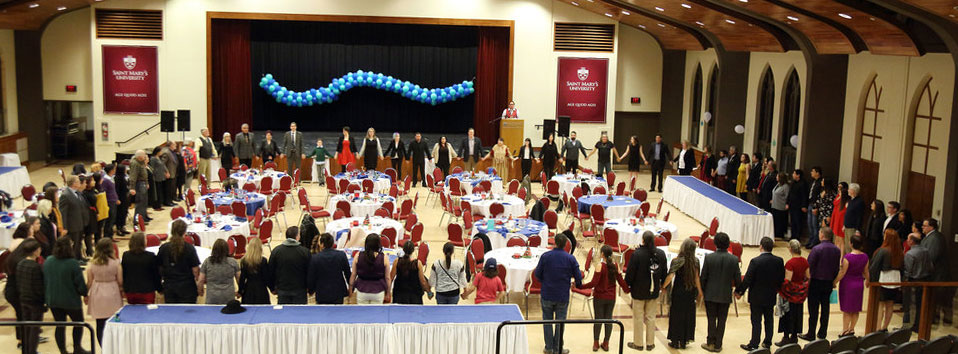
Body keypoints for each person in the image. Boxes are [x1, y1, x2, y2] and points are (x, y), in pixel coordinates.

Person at [533, 233, 581, 353]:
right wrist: (576, 283)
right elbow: (578, 278)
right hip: (562, 296)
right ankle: (558, 348)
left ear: (554, 242)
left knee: (547, 322)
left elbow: (537, 274)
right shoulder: (570, 259)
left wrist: (545, 281)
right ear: (565, 244)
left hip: (547, 294)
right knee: (560, 323)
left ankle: (549, 348)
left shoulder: (545, 256)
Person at [736, 237, 785, 351]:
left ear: (761, 246)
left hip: (756, 296)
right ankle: (767, 342)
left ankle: (754, 343)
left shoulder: (755, 261)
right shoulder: (779, 261)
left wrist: (740, 292)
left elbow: (748, 279)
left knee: (756, 320)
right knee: (769, 319)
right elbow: (780, 278)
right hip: (770, 295)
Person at [44, 237, 90, 354]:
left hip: (53, 299)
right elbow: (79, 283)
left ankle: (63, 350)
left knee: (60, 325)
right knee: (78, 323)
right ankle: (77, 347)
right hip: (70, 300)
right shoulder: (72, 263)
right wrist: (85, 294)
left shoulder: (48, 261)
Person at [624, 231, 667, 351]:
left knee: (638, 318)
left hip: (638, 291)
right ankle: (650, 343)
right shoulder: (661, 254)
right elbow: (664, 272)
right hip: (653, 291)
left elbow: (630, 274)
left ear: (643, 240)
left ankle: (638, 343)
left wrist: (626, 284)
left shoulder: (637, 254)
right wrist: (663, 285)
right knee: (651, 317)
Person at [699, 232, 742, 352]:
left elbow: (703, 277)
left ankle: (710, 342)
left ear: (715, 243)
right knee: (722, 320)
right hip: (725, 294)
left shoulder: (709, 257)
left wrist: (701, 290)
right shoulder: (734, 259)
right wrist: (739, 292)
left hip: (710, 294)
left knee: (711, 319)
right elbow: (738, 279)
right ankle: (718, 344)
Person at [799, 226, 842, 341]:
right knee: (825, 309)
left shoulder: (817, 249)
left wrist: (805, 280)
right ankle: (822, 333)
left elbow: (809, 266)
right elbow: (836, 267)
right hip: (828, 282)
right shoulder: (837, 250)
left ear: (822, 235)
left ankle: (811, 333)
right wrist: (833, 280)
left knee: (813, 309)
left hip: (815, 282)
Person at [663, 239, 702, 349]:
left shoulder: (677, 261)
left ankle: (675, 340)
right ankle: (684, 340)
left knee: (676, 315)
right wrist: (700, 292)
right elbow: (697, 278)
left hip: (678, 292)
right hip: (690, 292)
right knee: (688, 316)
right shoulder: (696, 261)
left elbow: (670, 276)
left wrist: (663, 287)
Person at [86, 238, 123, 345]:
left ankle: (103, 346)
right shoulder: (116, 263)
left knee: (100, 323)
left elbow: (89, 282)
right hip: (112, 291)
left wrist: (86, 295)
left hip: (97, 292)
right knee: (114, 321)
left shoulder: (92, 264)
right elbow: (120, 281)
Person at [157, 220, 201, 303]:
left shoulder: (164, 248)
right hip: (187, 287)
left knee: (172, 313)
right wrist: (198, 284)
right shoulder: (189, 248)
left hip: (169, 286)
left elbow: (159, 268)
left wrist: (159, 285)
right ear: (185, 232)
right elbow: (195, 270)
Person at [834, 234, 869, 337]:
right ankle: (851, 329)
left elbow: (843, 272)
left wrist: (834, 282)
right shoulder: (865, 256)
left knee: (847, 309)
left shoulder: (847, 257)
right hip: (859, 284)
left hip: (848, 284)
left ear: (851, 244)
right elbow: (866, 271)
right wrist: (868, 281)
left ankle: (845, 330)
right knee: (855, 309)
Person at [869, 229, 903, 331]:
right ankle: (885, 327)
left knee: (881, 305)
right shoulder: (899, 251)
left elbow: (874, 267)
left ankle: (878, 327)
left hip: (884, 278)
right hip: (896, 279)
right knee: (890, 304)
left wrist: (871, 280)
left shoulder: (883, 251)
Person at [15, 239, 46, 354]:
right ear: (35, 251)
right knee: (34, 328)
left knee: (26, 326)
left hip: (23, 299)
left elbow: (18, 283)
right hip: (34, 301)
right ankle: (32, 350)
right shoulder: (35, 267)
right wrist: (43, 300)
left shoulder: (20, 263)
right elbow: (39, 287)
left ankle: (26, 350)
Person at [777, 240, 810, 346]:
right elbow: (808, 277)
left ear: (790, 249)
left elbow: (787, 281)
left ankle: (786, 337)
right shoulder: (805, 261)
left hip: (790, 295)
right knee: (797, 314)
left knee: (788, 315)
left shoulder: (790, 263)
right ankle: (794, 336)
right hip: (800, 294)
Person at [921, 218, 953, 325]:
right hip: (933, 273)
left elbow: (932, 256)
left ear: (931, 227)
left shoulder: (935, 238)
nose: (922, 227)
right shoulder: (930, 237)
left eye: (924, 226)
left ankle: (934, 318)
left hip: (937, 274)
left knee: (937, 298)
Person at [268, 226, 310, 304]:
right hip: (300, 290)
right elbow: (310, 271)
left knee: (284, 315)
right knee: (300, 314)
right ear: (297, 236)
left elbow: (270, 271)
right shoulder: (305, 252)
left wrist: (272, 288)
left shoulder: (276, 251)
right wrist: (310, 287)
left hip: (282, 290)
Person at [305, 233, 350, 304]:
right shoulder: (341, 255)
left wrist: (311, 290)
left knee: (323, 314)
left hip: (322, 293)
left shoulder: (315, 258)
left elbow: (311, 277)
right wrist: (351, 288)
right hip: (338, 292)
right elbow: (348, 273)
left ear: (322, 244)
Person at [349, 234, 392, 304]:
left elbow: (353, 275)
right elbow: (387, 278)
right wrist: (388, 292)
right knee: (377, 314)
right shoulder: (384, 258)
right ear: (378, 244)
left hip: (362, 291)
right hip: (378, 291)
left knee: (363, 313)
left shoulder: (358, 255)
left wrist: (350, 289)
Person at [121, 232, 161, 305]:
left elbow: (124, 274)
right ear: (143, 242)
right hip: (147, 292)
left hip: (131, 291)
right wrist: (159, 289)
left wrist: (124, 289)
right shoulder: (151, 256)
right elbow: (156, 275)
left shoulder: (126, 255)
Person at [903, 233, 932, 331]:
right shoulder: (926, 251)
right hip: (926, 279)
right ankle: (919, 324)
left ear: (911, 241)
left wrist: (904, 282)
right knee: (921, 304)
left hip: (913, 281)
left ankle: (911, 325)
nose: (907, 241)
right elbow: (931, 266)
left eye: (908, 239)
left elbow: (908, 270)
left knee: (911, 305)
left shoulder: (910, 254)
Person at [197, 239, 240, 305]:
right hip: (228, 296)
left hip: (212, 297)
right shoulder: (233, 262)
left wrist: (200, 290)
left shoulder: (207, 262)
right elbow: (239, 278)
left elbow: (201, 280)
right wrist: (240, 291)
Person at [60, 175, 87, 261]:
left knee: (79, 243)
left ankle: (79, 258)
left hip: (79, 222)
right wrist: (64, 227)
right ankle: (74, 261)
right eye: (78, 181)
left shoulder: (77, 192)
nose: (80, 183)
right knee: (74, 244)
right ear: (74, 183)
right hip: (72, 224)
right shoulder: (65, 195)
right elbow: (63, 213)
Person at [238, 238, 271, 304]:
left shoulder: (244, 261)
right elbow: (267, 277)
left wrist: (240, 291)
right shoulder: (263, 261)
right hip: (261, 289)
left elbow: (242, 278)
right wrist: (272, 288)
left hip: (248, 290)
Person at [843, 183, 865, 254]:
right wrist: (844, 225)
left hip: (853, 228)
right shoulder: (851, 200)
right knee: (847, 246)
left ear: (853, 191)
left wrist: (858, 230)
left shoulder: (859, 202)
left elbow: (859, 216)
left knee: (851, 246)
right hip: (847, 226)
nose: (848, 190)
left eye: (849, 189)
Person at [787, 169, 808, 241]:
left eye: (794, 173)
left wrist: (804, 205)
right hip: (792, 205)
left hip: (798, 206)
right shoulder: (793, 183)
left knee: (798, 221)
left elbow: (804, 195)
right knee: (792, 221)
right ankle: (792, 236)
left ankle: (797, 236)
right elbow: (790, 194)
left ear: (798, 175)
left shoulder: (803, 184)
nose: (793, 175)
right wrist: (787, 203)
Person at [806, 166, 823, 248]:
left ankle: (815, 241)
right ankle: (811, 239)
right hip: (810, 203)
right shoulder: (812, 181)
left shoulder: (821, 182)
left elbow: (820, 196)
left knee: (814, 224)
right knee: (809, 224)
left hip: (815, 205)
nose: (811, 173)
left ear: (817, 173)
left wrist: (816, 206)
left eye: (813, 171)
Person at [829, 182, 849, 252]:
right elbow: (835, 203)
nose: (839, 189)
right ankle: (836, 254)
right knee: (836, 239)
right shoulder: (838, 196)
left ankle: (841, 257)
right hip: (836, 217)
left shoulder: (846, 199)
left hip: (841, 220)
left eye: (841, 187)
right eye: (838, 187)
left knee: (841, 240)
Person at [100, 164, 119, 239]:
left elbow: (113, 191)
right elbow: (104, 192)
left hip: (113, 200)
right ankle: (107, 236)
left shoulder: (111, 178)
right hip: (109, 201)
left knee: (112, 218)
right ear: (111, 170)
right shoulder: (105, 180)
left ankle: (110, 235)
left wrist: (116, 198)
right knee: (109, 219)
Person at [113, 165, 132, 236]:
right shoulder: (117, 179)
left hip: (125, 198)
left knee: (124, 213)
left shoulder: (124, 177)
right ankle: (118, 228)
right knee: (119, 214)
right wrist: (117, 199)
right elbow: (117, 190)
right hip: (120, 198)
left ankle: (123, 227)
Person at [771, 172, 790, 239]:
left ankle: (780, 235)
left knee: (780, 222)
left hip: (781, 206)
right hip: (774, 205)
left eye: (777, 176)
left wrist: (787, 204)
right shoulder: (778, 185)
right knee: (775, 221)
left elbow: (787, 196)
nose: (776, 177)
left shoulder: (785, 187)